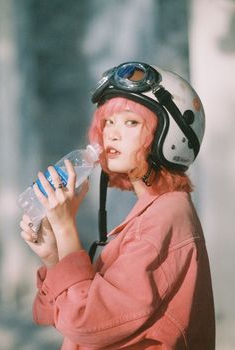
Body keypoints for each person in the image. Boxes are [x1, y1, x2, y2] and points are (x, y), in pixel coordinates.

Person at [20, 62, 215, 350]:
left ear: (168, 136)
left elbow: (86, 322)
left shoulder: (164, 219)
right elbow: (58, 314)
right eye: (108, 122)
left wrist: (65, 227)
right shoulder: (154, 212)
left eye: (131, 122)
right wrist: (55, 256)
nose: (110, 134)